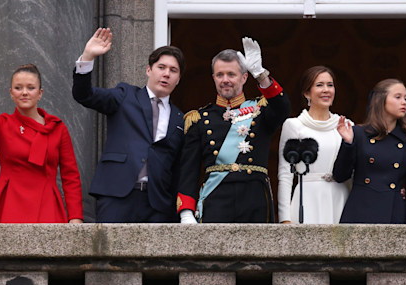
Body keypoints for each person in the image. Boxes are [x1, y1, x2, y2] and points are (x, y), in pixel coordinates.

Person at [72, 28, 186, 222]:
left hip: (158, 204)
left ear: (178, 79)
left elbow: (178, 168)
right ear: (149, 70)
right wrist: (88, 57)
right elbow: (85, 95)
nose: (166, 74)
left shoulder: (180, 118)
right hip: (117, 196)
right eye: (161, 67)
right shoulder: (125, 95)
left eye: (173, 70)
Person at [0, 49, 83, 223]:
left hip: (48, 207)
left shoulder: (58, 129)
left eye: (31, 88)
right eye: (18, 88)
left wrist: (76, 218)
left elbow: (71, 176)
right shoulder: (2, 125)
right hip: (10, 205)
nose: (24, 92)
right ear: (11, 93)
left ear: (40, 93)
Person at [177, 37, 290, 223]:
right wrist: (186, 211)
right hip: (217, 199)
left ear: (244, 77)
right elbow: (188, 170)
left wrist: (261, 75)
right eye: (220, 75)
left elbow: (283, 108)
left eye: (231, 74)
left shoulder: (260, 111)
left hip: (255, 199)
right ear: (213, 78)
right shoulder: (199, 119)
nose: (225, 80)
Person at [333, 79, 406, 223]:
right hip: (360, 211)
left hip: (394, 213)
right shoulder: (359, 133)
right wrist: (348, 144)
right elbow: (340, 175)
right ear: (381, 100)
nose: (404, 102)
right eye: (397, 97)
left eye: (405, 98)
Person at [277, 66, 352, 224]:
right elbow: (285, 174)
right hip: (307, 198)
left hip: (340, 199)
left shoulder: (346, 125)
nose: (326, 90)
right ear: (306, 93)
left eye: (330, 85)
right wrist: (285, 218)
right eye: (319, 85)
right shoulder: (294, 125)